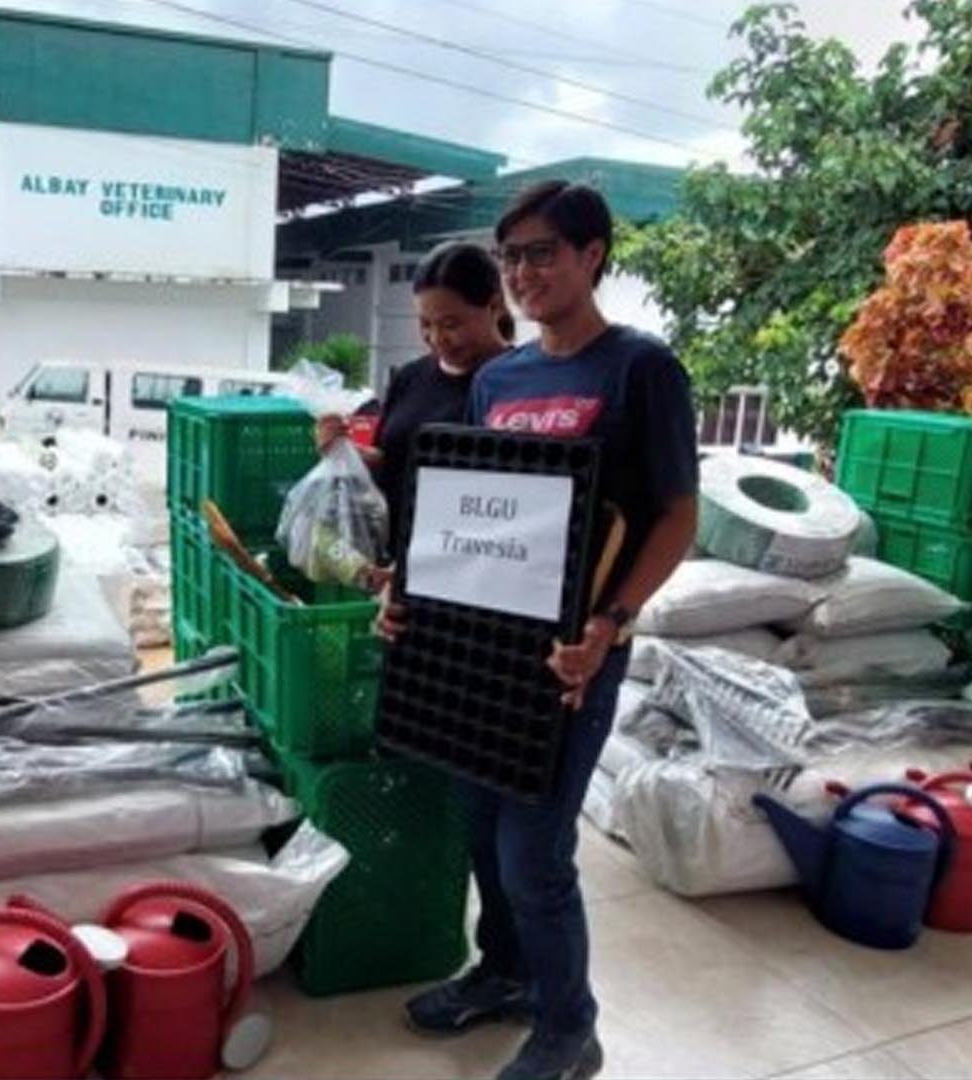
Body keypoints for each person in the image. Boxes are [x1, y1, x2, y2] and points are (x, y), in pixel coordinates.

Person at [381, 181, 699, 1080]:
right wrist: (407, 591)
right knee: (483, 832)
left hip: (574, 658)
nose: (523, 273)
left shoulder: (640, 369)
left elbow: (678, 515)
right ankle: (507, 974)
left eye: (542, 253)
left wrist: (611, 623)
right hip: (486, 651)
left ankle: (570, 1028)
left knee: (535, 854)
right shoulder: (500, 379)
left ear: (592, 255)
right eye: (511, 257)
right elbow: (473, 505)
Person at [316, 241, 516, 525]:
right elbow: (391, 465)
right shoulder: (409, 378)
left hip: (471, 544)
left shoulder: (518, 384)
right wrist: (346, 452)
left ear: (494, 306)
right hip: (399, 547)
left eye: (451, 325)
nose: (437, 338)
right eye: (425, 324)